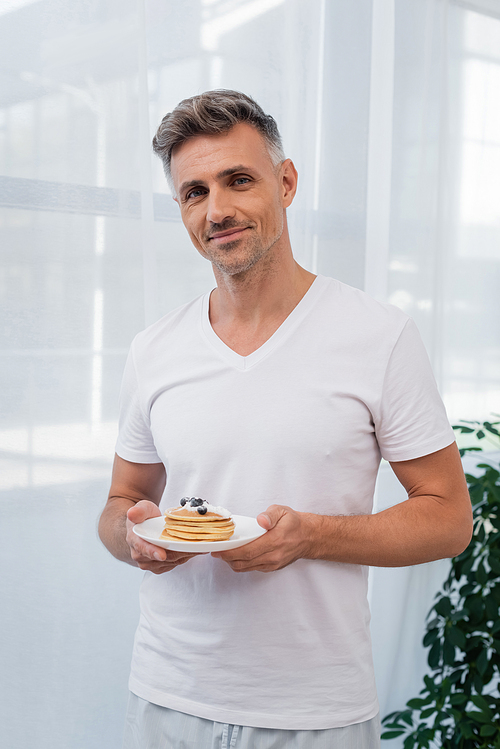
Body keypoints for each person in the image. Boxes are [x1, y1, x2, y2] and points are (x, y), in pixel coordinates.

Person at [98, 89, 472, 749]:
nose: (218, 209)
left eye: (238, 180)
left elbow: (448, 519)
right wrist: (132, 538)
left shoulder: (379, 335)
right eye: (194, 192)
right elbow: (122, 502)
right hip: (166, 699)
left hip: (315, 715)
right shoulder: (153, 348)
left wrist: (311, 536)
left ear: (287, 182)